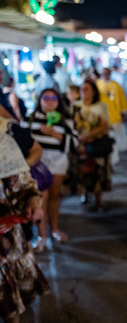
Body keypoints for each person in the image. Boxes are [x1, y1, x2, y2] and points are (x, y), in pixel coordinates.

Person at [0, 115, 50, 322]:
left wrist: (32, 201)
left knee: (10, 301)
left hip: (4, 238)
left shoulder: (2, 140)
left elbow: (21, 182)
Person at [26, 88, 78, 248]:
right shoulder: (30, 119)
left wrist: (54, 133)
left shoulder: (65, 121)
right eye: (45, 97)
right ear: (39, 100)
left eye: (53, 97)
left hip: (58, 162)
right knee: (41, 198)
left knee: (55, 196)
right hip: (38, 165)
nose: (49, 100)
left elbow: (74, 143)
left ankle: (54, 229)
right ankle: (42, 236)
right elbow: (22, 141)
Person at [71, 80, 111, 212]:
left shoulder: (101, 106)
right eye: (82, 89)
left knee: (98, 171)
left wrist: (89, 134)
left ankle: (99, 199)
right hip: (80, 145)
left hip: (97, 143)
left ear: (94, 91)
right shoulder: (75, 106)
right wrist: (79, 137)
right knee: (83, 170)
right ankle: (85, 193)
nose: (83, 91)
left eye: (87, 89)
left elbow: (104, 125)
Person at [97, 67, 127, 164]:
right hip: (101, 116)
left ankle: (113, 160)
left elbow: (122, 99)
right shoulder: (98, 84)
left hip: (113, 115)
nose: (105, 75)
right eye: (103, 73)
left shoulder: (116, 85)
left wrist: (123, 112)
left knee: (112, 139)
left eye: (107, 73)